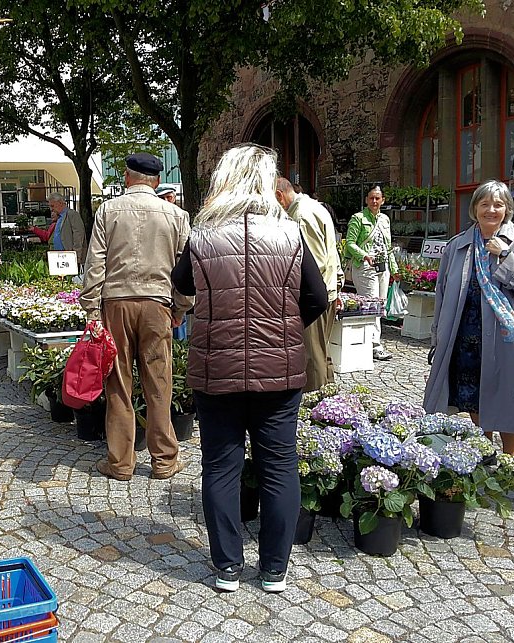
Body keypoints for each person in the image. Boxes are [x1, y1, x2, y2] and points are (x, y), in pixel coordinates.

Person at [171, 144, 328, 593]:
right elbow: (316, 299)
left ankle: (227, 567)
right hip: (277, 370)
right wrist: (282, 330)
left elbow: (181, 283)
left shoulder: (202, 236)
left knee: (220, 465)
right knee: (279, 465)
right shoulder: (290, 235)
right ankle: (274, 569)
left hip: (215, 366)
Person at [80, 152, 193, 481]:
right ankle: (164, 461)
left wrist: (91, 310)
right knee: (159, 383)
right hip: (157, 304)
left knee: (118, 383)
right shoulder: (176, 215)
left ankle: (120, 463)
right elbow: (184, 271)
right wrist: (181, 307)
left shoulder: (108, 210)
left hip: (116, 302)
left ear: (127, 178)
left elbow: (95, 265)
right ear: (156, 181)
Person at [423, 180, 514, 456]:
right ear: (474, 208)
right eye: (485, 204)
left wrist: (505, 255)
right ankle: (483, 451)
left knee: (506, 397)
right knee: (474, 396)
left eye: (498, 204)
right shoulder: (458, 244)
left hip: (505, 337)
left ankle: (510, 456)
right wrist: (437, 335)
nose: (491, 210)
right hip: (463, 333)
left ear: (507, 209)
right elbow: (441, 292)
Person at [276, 177, 343, 391]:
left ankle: (316, 404)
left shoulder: (301, 215)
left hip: (315, 296)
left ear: (280, 196)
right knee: (322, 352)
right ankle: (329, 400)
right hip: (326, 291)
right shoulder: (313, 207)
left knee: (312, 355)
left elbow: (315, 264)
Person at [343, 186, 397, 360]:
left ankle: (373, 341)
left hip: (382, 266)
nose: (374, 201)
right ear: (366, 199)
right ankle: (374, 345)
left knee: (380, 306)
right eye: (371, 198)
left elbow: (388, 247)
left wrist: (394, 268)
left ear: (383, 200)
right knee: (372, 304)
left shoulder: (385, 220)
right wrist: (364, 255)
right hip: (365, 267)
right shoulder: (358, 219)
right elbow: (349, 243)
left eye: (377, 198)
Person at [47, 192, 86, 264]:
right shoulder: (59, 217)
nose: (51, 209)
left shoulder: (72, 214)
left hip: (69, 256)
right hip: (58, 256)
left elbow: (78, 236)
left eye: (52, 206)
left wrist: (76, 256)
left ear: (60, 203)